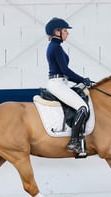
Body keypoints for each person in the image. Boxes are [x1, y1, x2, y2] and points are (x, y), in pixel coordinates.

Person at [45, 17, 93, 155]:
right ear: (57, 31)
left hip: (60, 82)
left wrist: (81, 80)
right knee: (83, 108)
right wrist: (82, 79)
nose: (67, 33)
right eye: (65, 30)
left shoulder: (55, 46)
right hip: (57, 83)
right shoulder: (56, 47)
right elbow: (65, 71)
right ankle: (74, 142)